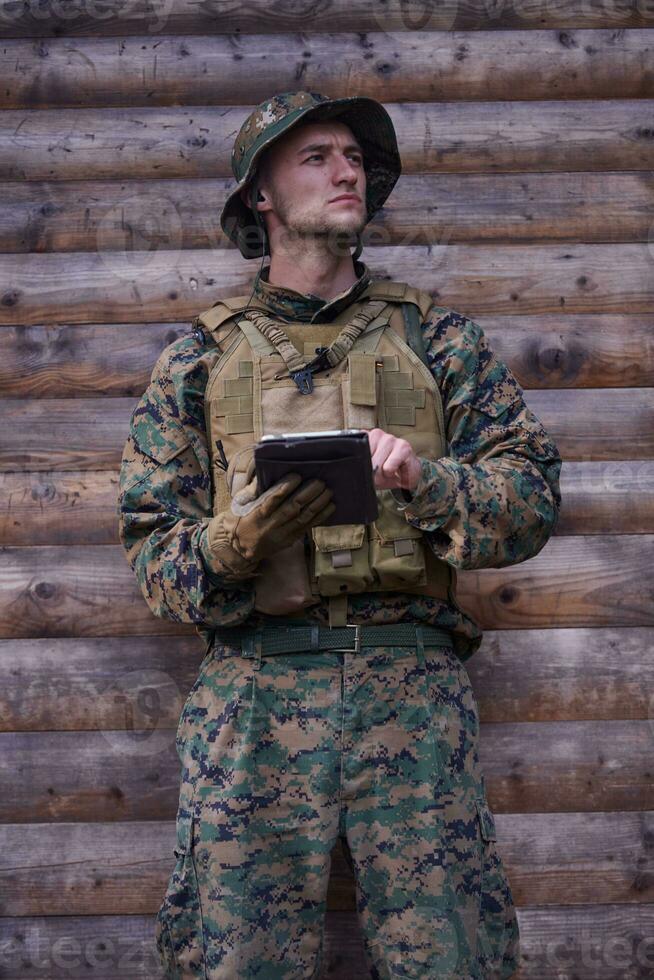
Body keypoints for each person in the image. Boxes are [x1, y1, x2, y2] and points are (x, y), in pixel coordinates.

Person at [117, 90, 562, 979]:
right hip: (254, 694)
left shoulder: (438, 341)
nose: (346, 169)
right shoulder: (198, 362)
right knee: (235, 960)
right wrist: (232, 545)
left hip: (413, 688)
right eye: (315, 156)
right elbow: (151, 551)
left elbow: (532, 496)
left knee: (452, 958)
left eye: (355, 156)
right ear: (262, 196)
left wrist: (423, 480)